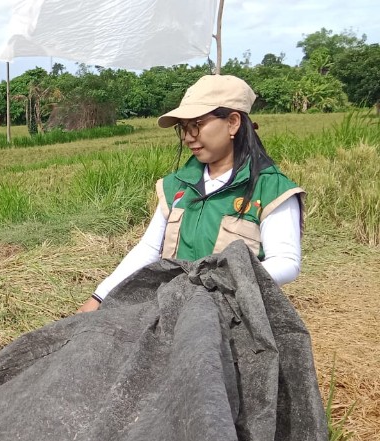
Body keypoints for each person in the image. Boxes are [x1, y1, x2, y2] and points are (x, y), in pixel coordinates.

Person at [79, 74, 304, 313]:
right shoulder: (177, 186)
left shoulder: (271, 188)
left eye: (197, 125)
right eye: (184, 128)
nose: (188, 137)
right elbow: (149, 249)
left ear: (232, 122)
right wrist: (100, 296)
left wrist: (218, 282)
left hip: (235, 313)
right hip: (175, 306)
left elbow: (286, 262)